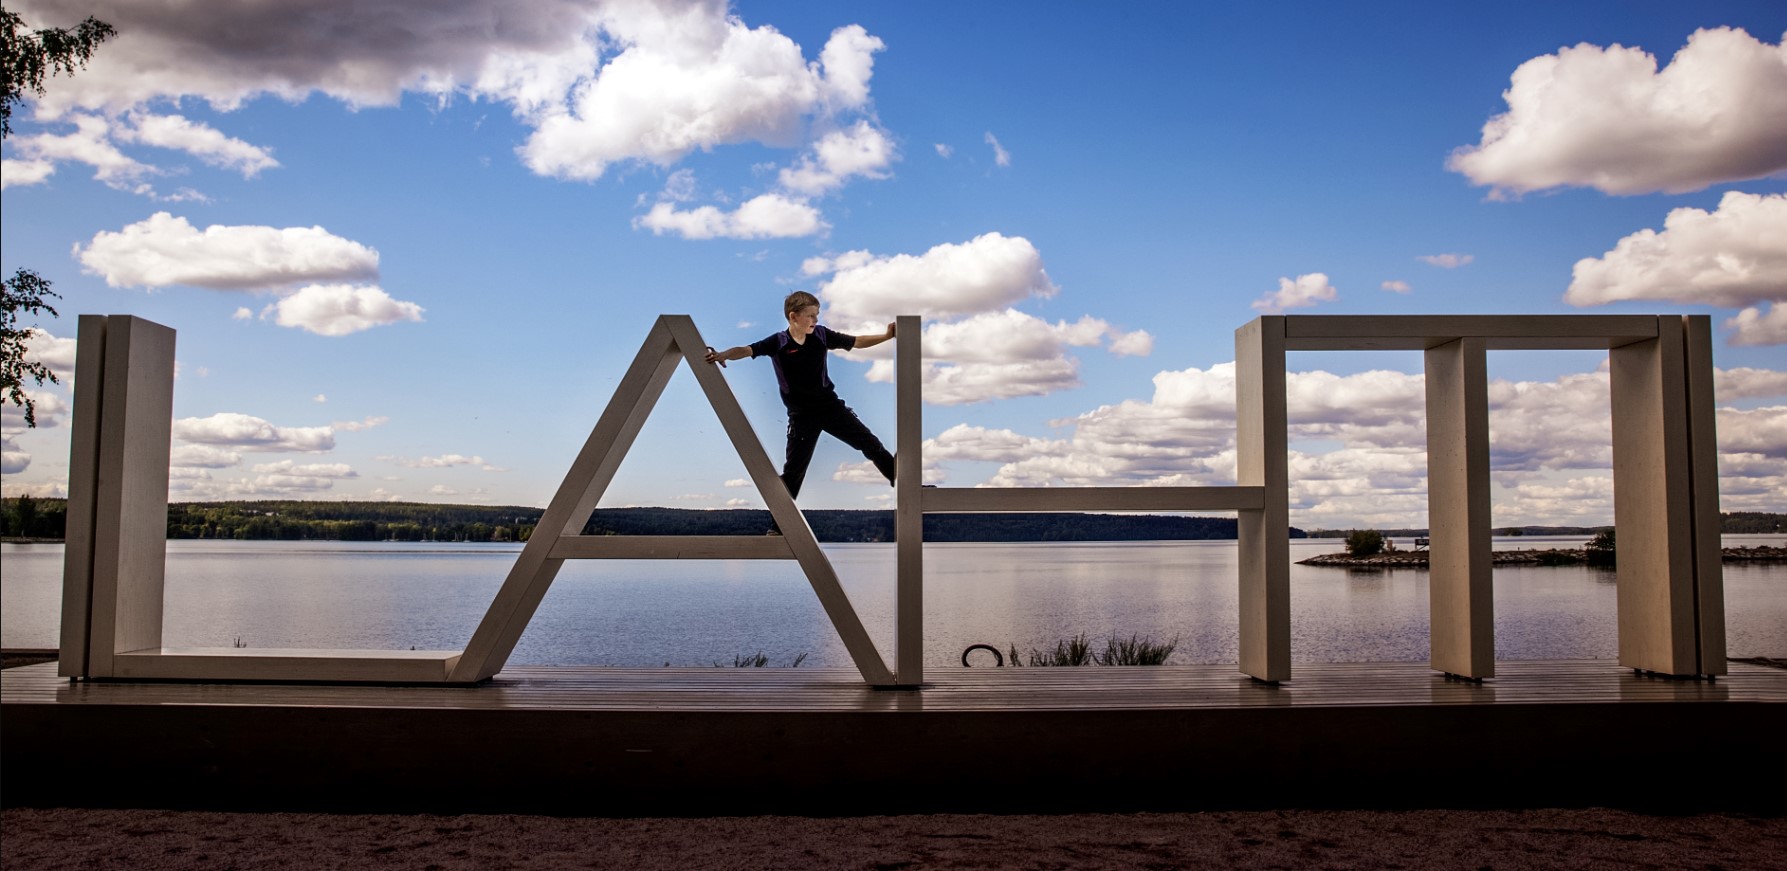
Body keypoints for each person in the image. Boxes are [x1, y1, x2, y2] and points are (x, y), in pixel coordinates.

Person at [705, 291, 896, 532]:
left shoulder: (822, 335)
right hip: (801, 416)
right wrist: (722, 355)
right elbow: (747, 349)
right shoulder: (779, 342)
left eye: (817, 315)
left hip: (831, 408)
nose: (815, 320)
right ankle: (777, 526)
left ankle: (900, 480)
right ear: (793, 317)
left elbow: (857, 341)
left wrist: (887, 336)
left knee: (871, 444)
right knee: (794, 472)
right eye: (811, 316)